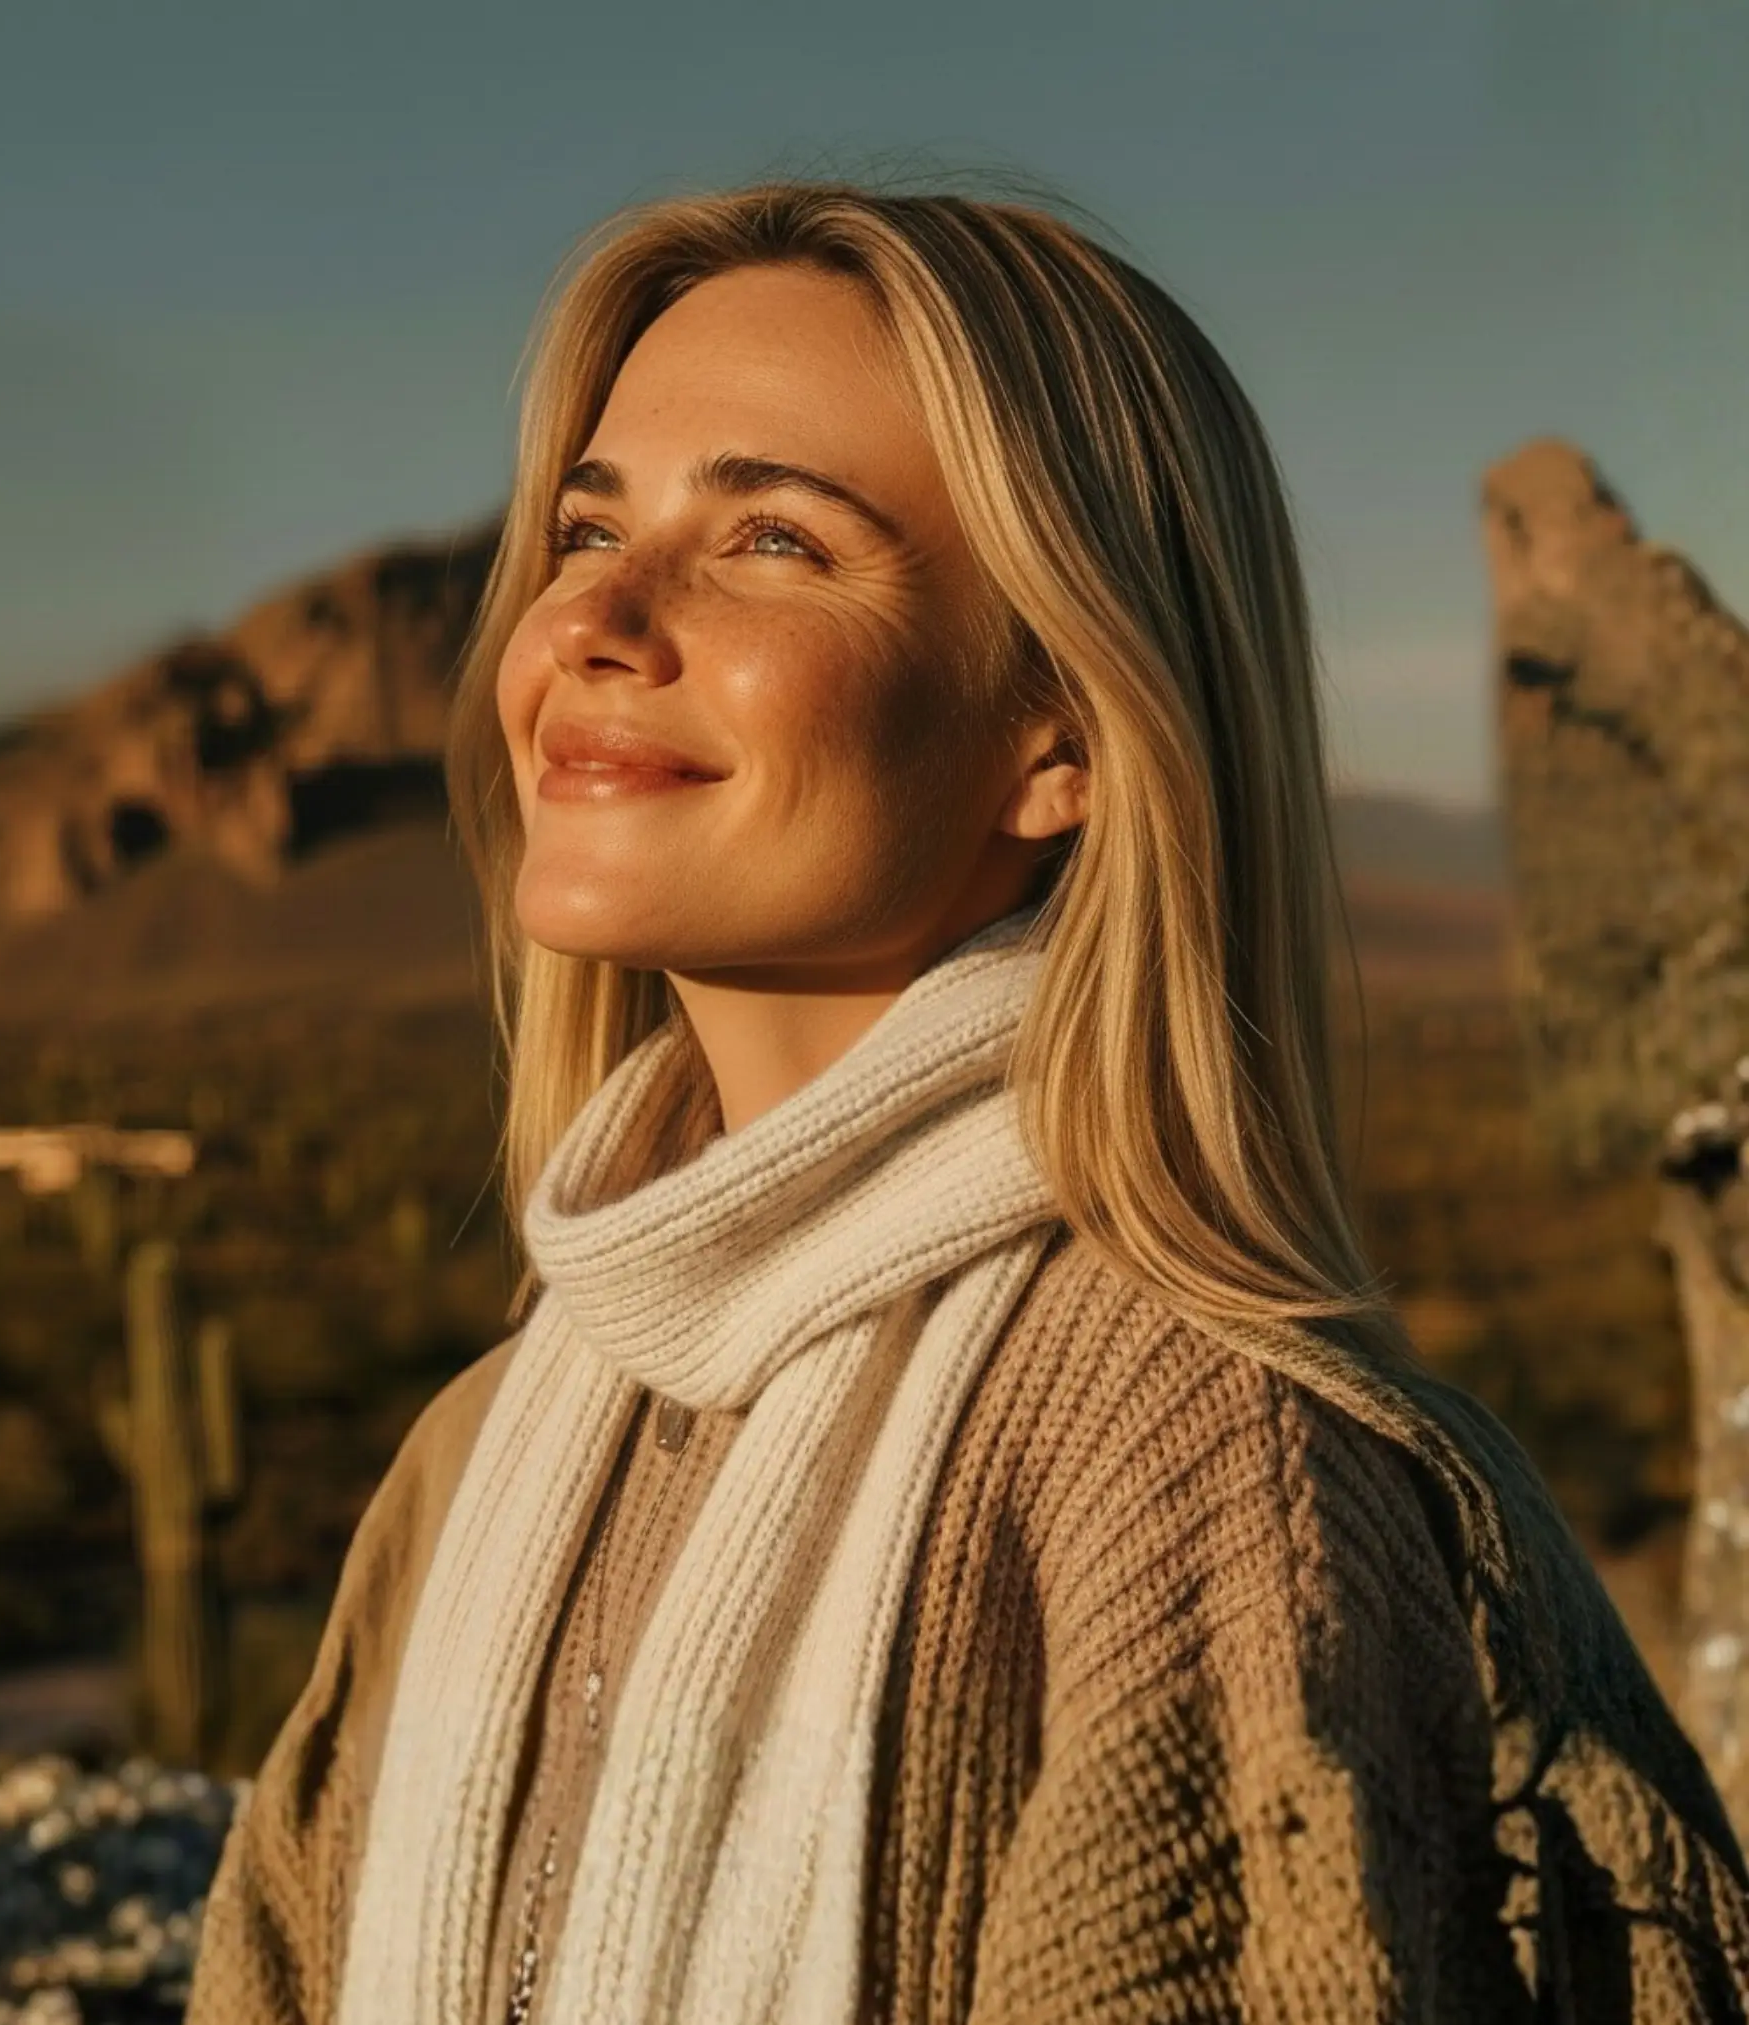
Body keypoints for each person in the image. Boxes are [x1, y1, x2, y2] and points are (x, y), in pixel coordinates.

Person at [183, 178, 1749, 2023]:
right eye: (587, 527)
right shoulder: (473, 1457)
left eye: (772, 538)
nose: (592, 615)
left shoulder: (1203, 1484)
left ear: (1059, 731)